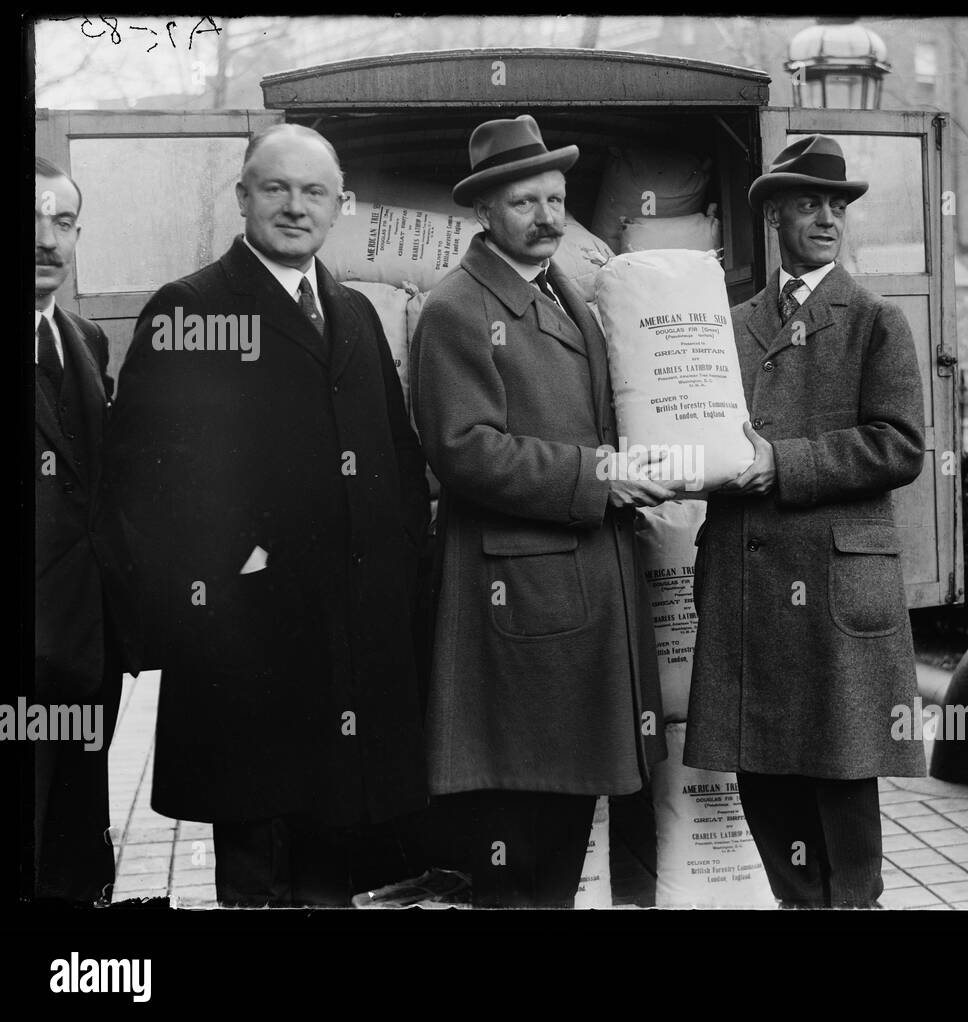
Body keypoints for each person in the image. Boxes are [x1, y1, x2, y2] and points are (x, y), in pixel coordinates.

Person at [94, 124, 430, 906]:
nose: (294, 206)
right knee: (260, 863)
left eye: (314, 192)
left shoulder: (352, 312)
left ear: (338, 206)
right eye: (275, 187)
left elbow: (401, 458)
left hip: (349, 643)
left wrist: (398, 559)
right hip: (249, 656)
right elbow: (141, 488)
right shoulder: (193, 308)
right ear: (242, 197)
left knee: (333, 863)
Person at [409, 114, 670, 908]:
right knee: (519, 827)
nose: (550, 217)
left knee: (564, 814)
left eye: (557, 199)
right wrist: (602, 477)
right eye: (526, 202)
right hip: (521, 604)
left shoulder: (566, 294)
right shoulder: (457, 308)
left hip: (578, 593)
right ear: (484, 212)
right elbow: (464, 450)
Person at [684, 135, 929, 908]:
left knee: (840, 777)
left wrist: (782, 464)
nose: (826, 218)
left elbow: (899, 446)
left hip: (830, 589)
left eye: (836, 206)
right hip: (748, 582)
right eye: (809, 204)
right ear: (775, 217)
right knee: (762, 770)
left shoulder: (875, 320)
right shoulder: (730, 322)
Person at [32, 157, 123, 902]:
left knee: (75, 840)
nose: (46, 240)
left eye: (62, 222)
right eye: (31, 219)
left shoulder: (86, 340)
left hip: (86, 646)